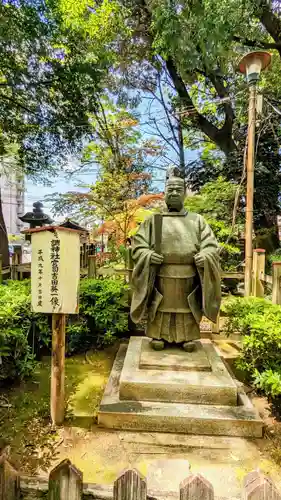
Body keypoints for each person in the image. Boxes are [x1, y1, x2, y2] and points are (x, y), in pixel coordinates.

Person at [130, 168, 221, 351]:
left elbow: (211, 246)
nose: (173, 193)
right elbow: (138, 246)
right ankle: (158, 335)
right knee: (160, 306)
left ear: (185, 193)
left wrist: (205, 255)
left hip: (190, 276)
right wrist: (148, 255)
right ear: (164, 193)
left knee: (187, 307)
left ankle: (188, 337)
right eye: (169, 189)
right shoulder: (153, 221)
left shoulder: (197, 221)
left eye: (178, 190)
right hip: (161, 276)